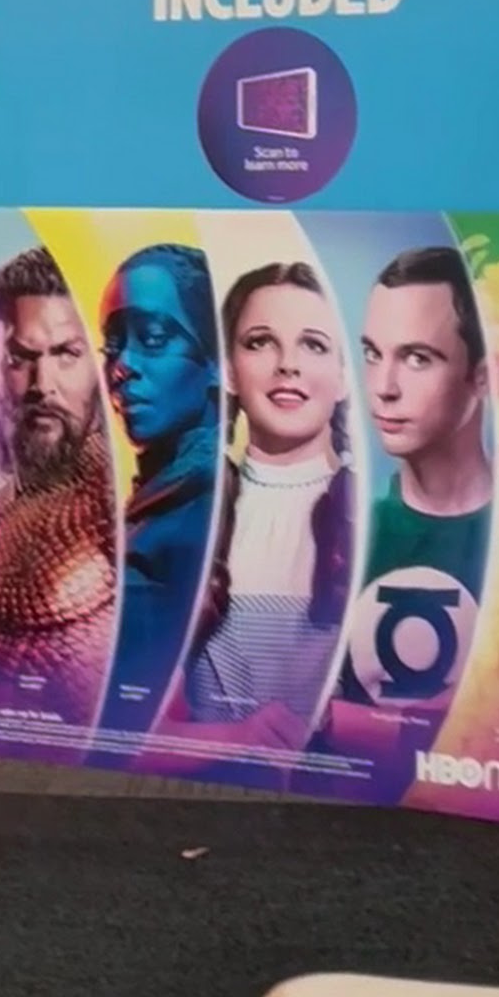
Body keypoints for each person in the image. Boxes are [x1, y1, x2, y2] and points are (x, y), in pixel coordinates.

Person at [310, 245, 494, 788]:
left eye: (417, 358)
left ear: (481, 377)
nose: (384, 387)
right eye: (372, 354)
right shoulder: (344, 529)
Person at [167, 262, 357, 756]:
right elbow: (127, 715)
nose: (287, 364)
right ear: (230, 371)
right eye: (260, 342)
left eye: (313, 344)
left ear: (344, 376)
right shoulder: (185, 511)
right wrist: (229, 741)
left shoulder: (376, 518)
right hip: (200, 788)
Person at [0, 247, 118, 730]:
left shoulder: (135, 518)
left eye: (67, 354)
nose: (42, 384)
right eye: (21, 357)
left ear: (101, 366)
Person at [95, 242, 223, 735]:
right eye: (112, 344)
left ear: (215, 358)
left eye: (151, 338)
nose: (122, 365)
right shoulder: (164, 494)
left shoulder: (197, 509)